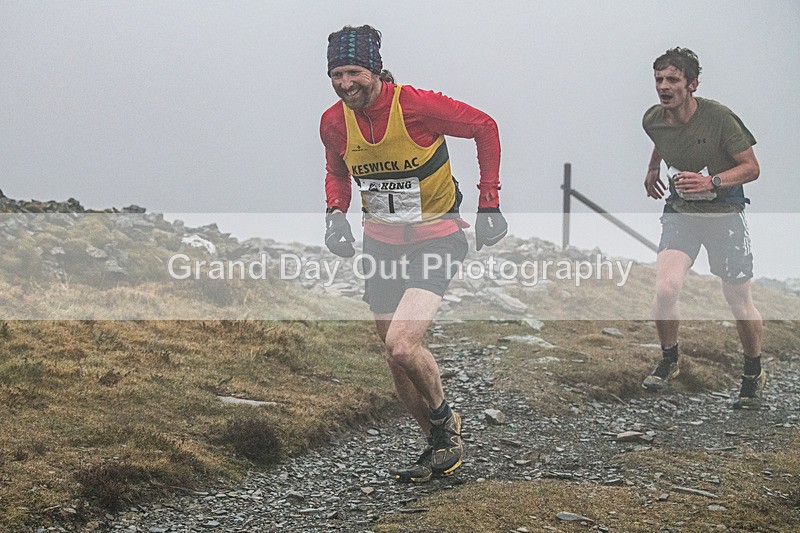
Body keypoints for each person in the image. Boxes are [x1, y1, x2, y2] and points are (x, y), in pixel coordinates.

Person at [319, 25, 507, 481]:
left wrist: (489, 202)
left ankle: (445, 425)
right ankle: (436, 442)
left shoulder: (416, 106)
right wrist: (334, 214)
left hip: (437, 238)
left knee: (402, 345)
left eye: (355, 72)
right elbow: (337, 171)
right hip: (381, 244)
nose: (346, 84)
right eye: (337, 74)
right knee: (393, 358)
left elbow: (485, 126)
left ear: (375, 69)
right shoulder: (332, 122)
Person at [641, 47, 765, 409]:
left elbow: (752, 168)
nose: (664, 87)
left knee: (738, 300)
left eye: (673, 80)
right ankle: (669, 360)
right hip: (681, 213)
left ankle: (752, 373)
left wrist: (711, 182)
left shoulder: (720, 118)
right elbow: (662, 139)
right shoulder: (653, 118)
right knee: (666, 287)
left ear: (692, 84)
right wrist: (651, 169)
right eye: (659, 79)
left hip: (725, 214)